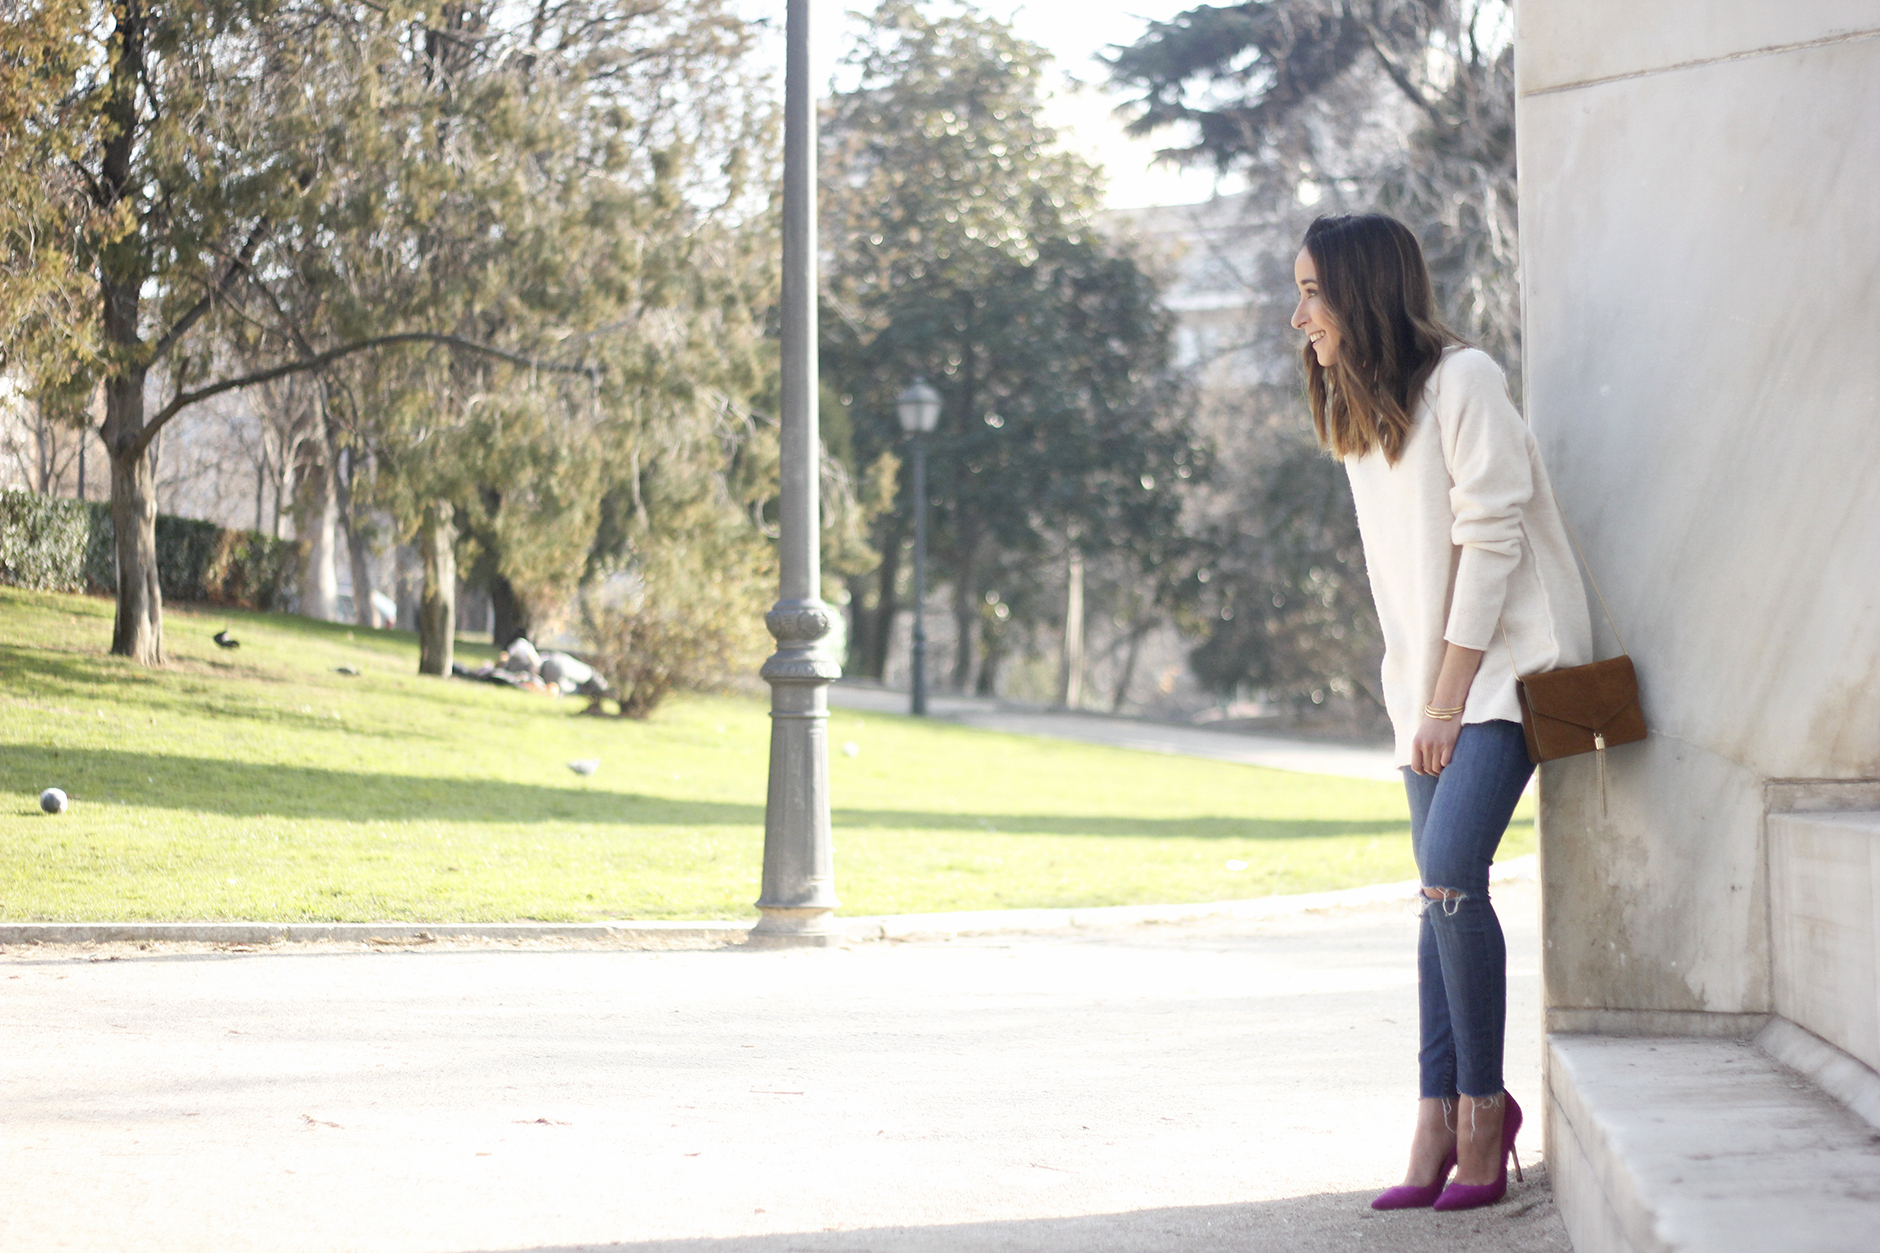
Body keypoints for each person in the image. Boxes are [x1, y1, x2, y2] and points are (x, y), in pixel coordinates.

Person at [1289, 214, 1592, 1212]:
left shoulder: (1465, 381)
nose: (1299, 317)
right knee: (1434, 891)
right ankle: (1430, 1115)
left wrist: (1447, 700)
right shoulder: (1355, 406)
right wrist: (1414, 696)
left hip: (1498, 677)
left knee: (1451, 872)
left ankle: (1476, 1108)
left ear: (1361, 290)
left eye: (1312, 293)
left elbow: (1490, 540)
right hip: (1418, 688)